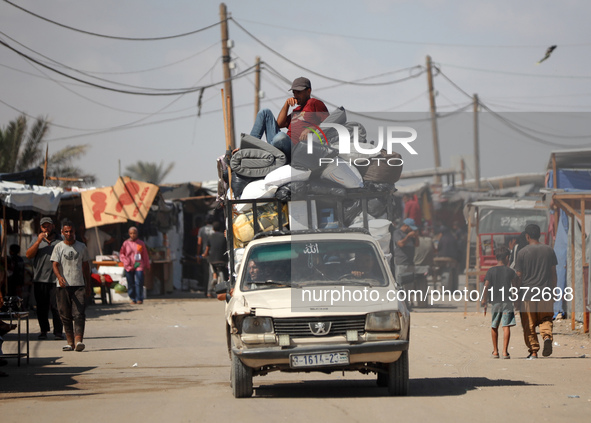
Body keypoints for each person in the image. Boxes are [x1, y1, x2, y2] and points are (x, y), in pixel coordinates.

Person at [250, 76, 328, 160]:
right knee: (265, 112)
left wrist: (311, 128)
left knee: (281, 137)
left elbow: (330, 124)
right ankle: (248, 147)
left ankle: (267, 150)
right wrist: (286, 104)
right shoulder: (296, 110)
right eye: (294, 93)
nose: (295, 96)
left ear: (308, 91)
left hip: (296, 148)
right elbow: (280, 124)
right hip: (281, 143)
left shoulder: (314, 103)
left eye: (298, 92)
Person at [514, 224, 558, 359]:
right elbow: (553, 273)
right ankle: (546, 337)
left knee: (529, 323)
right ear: (539, 235)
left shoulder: (522, 252)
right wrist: (554, 290)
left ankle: (533, 351)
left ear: (527, 236)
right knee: (546, 319)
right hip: (546, 292)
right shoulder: (549, 250)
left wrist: (516, 295)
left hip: (528, 294)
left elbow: (519, 276)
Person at [51, 219, 92, 352]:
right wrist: (59, 277)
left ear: (75, 232)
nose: (69, 234)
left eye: (71, 231)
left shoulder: (81, 247)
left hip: (78, 284)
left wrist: (88, 284)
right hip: (62, 286)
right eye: (66, 231)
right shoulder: (59, 247)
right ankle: (70, 342)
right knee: (64, 314)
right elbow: (55, 265)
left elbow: (86, 267)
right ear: (62, 232)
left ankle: (78, 340)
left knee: (79, 313)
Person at [25, 216, 64, 340]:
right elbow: (28, 255)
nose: (46, 228)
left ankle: (58, 332)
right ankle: (43, 331)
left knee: (57, 307)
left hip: (56, 279)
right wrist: (37, 242)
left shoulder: (60, 240)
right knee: (42, 307)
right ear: (41, 228)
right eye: (44, 226)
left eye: (48, 225)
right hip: (40, 279)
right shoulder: (37, 240)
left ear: (53, 226)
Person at [480, 246, 517, 359]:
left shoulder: (491, 271)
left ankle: (495, 351)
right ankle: (505, 352)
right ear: (507, 257)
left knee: (494, 325)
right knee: (506, 326)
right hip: (507, 301)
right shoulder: (510, 271)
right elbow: (515, 287)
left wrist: (484, 300)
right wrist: (516, 300)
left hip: (495, 302)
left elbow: (486, 286)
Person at [120, 227, 151, 305]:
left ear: (137, 234)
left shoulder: (141, 243)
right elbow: (121, 254)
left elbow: (145, 255)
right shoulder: (125, 243)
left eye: (134, 233)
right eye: (131, 233)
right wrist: (125, 261)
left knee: (139, 281)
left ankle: (139, 298)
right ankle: (132, 298)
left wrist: (147, 265)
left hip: (138, 264)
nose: (133, 235)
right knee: (130, 283)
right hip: (128, 265)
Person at [202, 221, 228, 298]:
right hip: (223, 259)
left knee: (211, 272)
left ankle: (209, 292)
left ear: (213, 229)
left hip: (212, 260)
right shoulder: (224, 237)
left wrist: (204, 255)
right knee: (224, 272)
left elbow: (207, 249)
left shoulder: (210, 237)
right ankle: (225, 290)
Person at [392, 218, 419, 285]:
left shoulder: (411, 235)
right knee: (401, 284)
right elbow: (400, 244)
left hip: (410, 263)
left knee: (409, 285)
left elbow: (417, 244)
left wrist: (416, 236)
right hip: (401, 263)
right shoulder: (397, 233)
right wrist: (408, 237)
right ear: (406, 226)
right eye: (410, 228)